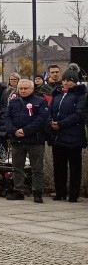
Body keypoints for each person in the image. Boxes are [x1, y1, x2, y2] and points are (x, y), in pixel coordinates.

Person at [4, 78, 50, 202]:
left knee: (37, 168)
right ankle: (18, 190)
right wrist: (14, 130)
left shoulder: (40, 102)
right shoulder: (13, 102)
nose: (23, 91)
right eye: (21, 88)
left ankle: (37, 192)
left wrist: (25, 131)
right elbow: (7, 118)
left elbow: (41, 120)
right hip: (17, 140)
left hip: (35, 140)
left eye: (26, 88)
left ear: (32, 89)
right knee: (17, 167)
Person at [47, 64, 85, 202]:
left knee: (75, 168)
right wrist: (51, 122)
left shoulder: (81, 95)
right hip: (58, 137)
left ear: (75, 81)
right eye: (64, 80)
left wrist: (61, 124)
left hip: (74, 137)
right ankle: (60, 192)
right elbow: (50, 111)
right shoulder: (57, 94)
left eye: (69, 80)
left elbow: (79, 114)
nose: (66, 82)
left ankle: (73, 194)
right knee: (59, 167)